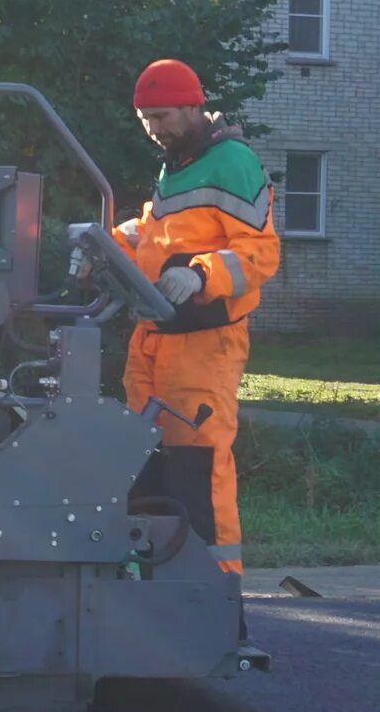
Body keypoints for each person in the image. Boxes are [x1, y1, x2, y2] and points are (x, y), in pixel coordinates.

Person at [109, 59, 280, 598]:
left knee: (198, 470)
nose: (152, 128)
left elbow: (260, 252)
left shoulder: (232, 162)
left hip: (202, 347)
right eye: (144, 120)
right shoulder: (179, 165)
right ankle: (158, 590)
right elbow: (158, 236)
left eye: (159, 116)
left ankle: (215, 599)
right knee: (149, 467)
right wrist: (109, 244)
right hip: (158, 343)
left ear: (191, 107)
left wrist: (200, 273)